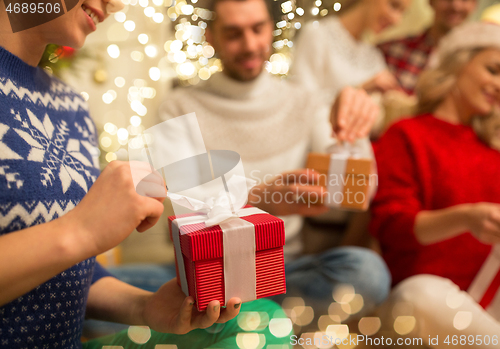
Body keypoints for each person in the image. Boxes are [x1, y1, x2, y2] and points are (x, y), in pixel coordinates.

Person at [0, 1, 292, 348]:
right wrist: (80, 230)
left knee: (261, 323)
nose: (114, 3)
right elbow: (74, 240)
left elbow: (67, 275)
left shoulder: (71, 107)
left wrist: (147, 308)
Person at [147, 0, 391, 322]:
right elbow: (191, 211)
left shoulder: (304, 100)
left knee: (368, 273)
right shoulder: (176, 107)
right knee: (98, 291)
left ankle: (230, 325)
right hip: (208, 271)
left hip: (286, 269)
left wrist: (353, 125)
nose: (250, 45)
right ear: (210, 38)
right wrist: (262, 200)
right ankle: (264, 325)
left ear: (271, 30)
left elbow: (356, 191)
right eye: (234, 33)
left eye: (258, 29)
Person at [370, 21, 500, 348]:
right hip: (425, 300)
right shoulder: (408, 135)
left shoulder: (494, 149)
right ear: (459, 62)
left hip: (489, 302)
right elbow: (392, 227)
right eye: (493, 70)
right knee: (420, 296)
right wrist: (466, 218)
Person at [290, 0, 410, 100]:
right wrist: (359, 90)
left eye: (403, 13)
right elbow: (300, 103)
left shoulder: (374, 57)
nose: (396, 20)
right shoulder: (317, 35)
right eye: (394, 5)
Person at [378, 0, 477, 95]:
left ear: (474, 4)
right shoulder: (389, 50)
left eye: (465, 0)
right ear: (431, 1)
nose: (456, 6)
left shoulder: (474, 62)